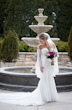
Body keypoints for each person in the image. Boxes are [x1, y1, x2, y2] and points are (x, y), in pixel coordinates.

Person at [0, 32, 59, 106]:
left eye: (41, 40)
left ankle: (51, 96)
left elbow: (54, 54)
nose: (39, 41)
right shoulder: (40, 46)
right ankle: (44, 97)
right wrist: (40, 66)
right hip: (43, 65)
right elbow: (39, 58)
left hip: (50, 65)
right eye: (39, 40)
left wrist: (52, 60)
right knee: (43, 79)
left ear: (44, 39)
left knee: (50, 79)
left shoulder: (52, 45)